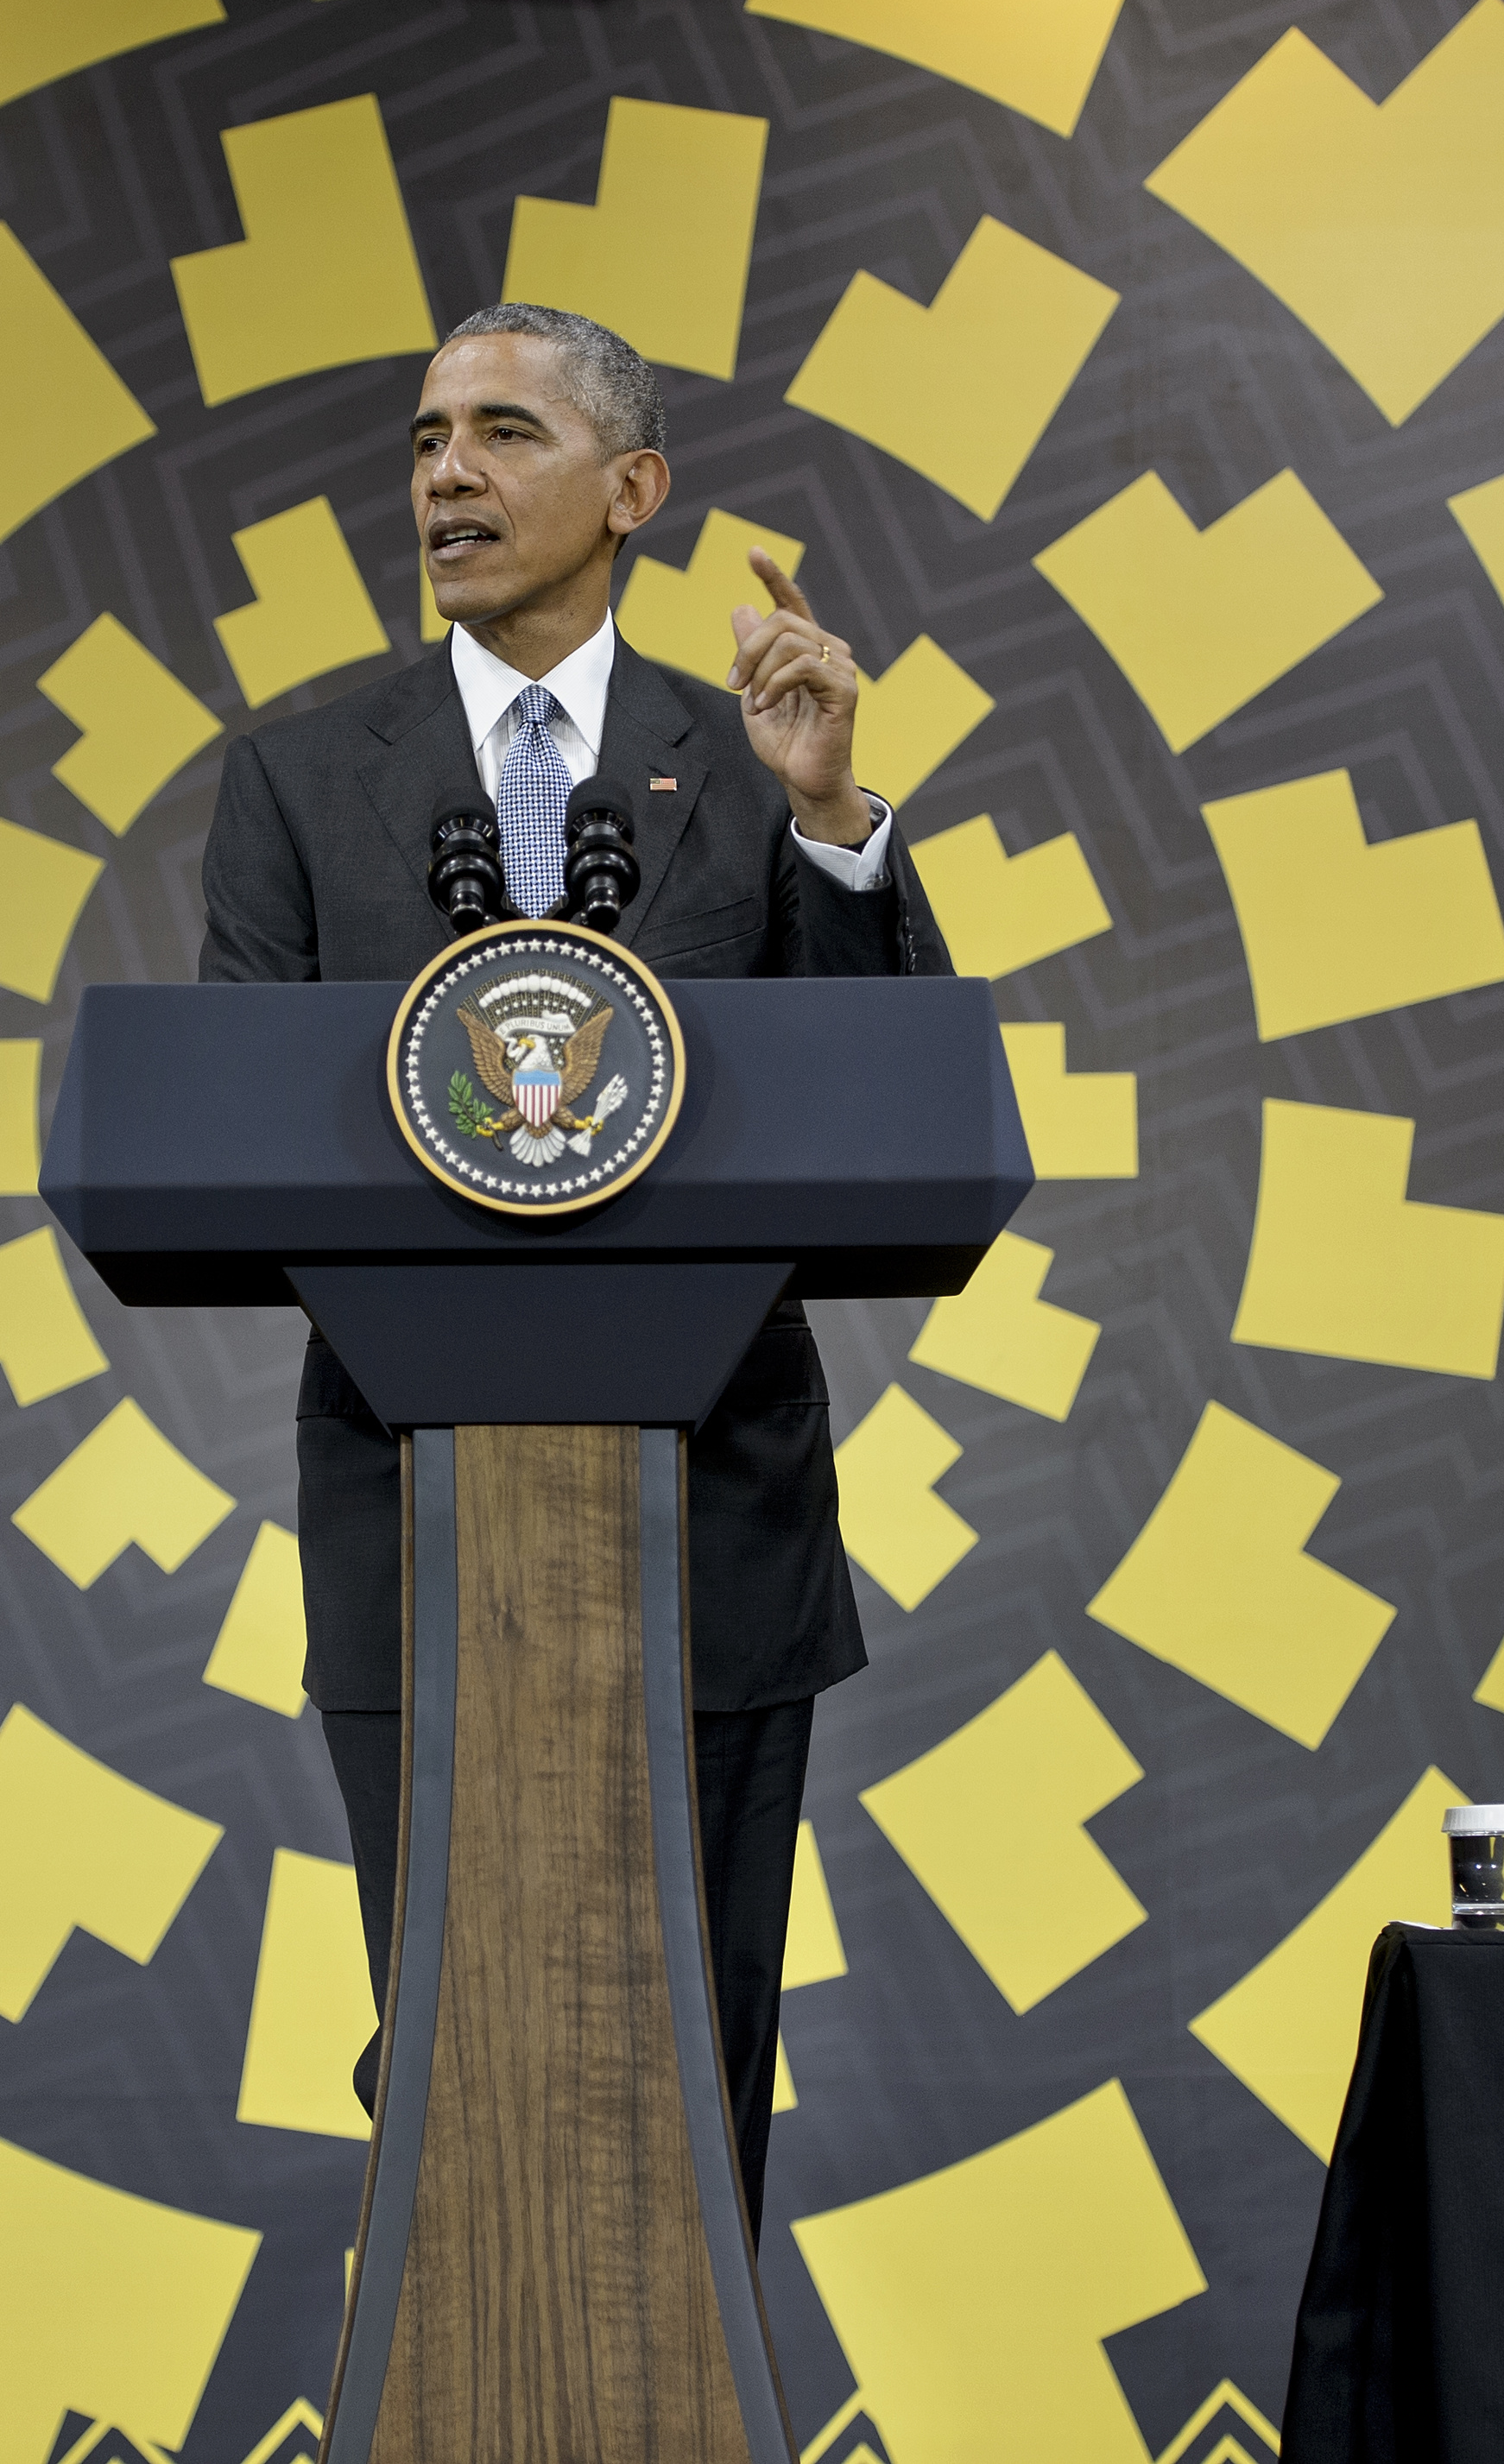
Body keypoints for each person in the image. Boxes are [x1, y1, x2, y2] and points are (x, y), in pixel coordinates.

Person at [196, 301, 945, 2233]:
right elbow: (226, 1130)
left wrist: (833, 817)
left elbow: (889, 1100)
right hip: (417, 1517)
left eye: (503, 433)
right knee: (457, 2068)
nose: (445, 473)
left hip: (715, 1523)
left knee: (690, 2076)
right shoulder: (298, 780)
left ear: (634, 490)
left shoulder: (758, 762)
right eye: (426, 438)